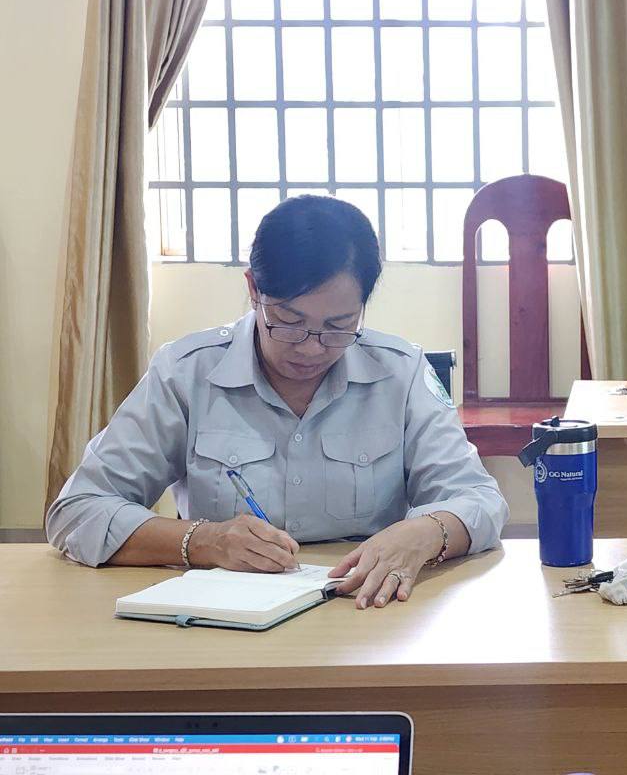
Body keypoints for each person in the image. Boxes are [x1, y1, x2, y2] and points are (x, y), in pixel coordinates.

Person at [47, 195, 509, 609]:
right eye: (288, 321)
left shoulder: (401, 373)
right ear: (253, 290)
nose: (311, 347)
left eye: (339, 325)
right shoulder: (186, 372)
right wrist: (204, 541)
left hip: (366, 611)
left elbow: (479, 498)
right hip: (223, 616)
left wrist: (426, 533)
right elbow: (78, 510)